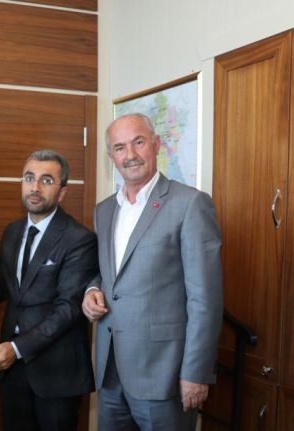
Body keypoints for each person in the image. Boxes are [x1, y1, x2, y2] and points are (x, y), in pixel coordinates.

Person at [82, 113, 223, 430]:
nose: (130, 155)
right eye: (120, 147)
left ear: (157, 144)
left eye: (139, 142)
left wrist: (196, 372)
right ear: (111, 156)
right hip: (110, 371)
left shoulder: (190, 204)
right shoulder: (104, 210)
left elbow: (205, 299)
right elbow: (108, 273)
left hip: (164, 374)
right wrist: (92, 290)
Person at [0, 150, 98, 431]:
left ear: (62, 192)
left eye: (46, 180)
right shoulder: (12, 232)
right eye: (29, 178)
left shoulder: (79, 239)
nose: (35, 187)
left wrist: (16, 348)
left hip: (56, 373)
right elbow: (1, 293)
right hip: (11, 370)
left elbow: (68, 309)